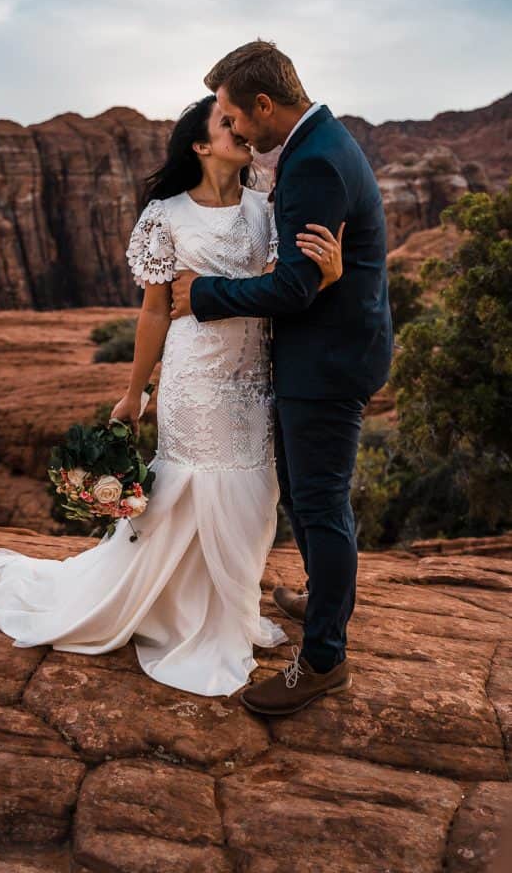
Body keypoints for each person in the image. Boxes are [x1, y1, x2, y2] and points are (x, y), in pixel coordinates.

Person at [0, 92, 344, 698]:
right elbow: (154, 312)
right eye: (225, 123)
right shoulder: (167, 215)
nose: (239, 130)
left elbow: (291, 287)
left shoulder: (270, 208)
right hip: (194, 379)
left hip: (254, 382)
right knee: (193, 487)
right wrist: (134, 392)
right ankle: (177, 618)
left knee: (251, 493)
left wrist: (329, 273)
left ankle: (229, 614)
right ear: (199, 144)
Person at [171, 40, 393, 716]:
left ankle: (323, 658)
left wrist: (201, 296)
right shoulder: (320, 143)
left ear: (263, 105)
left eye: (235, 118)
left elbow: (295, 288)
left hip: (325, 361)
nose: (233, 130)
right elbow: (307, 275)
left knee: (319, 504)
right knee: (305, 496)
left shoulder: (316, 162)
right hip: (329, 349)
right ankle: (323, 597)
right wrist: (317, 277)